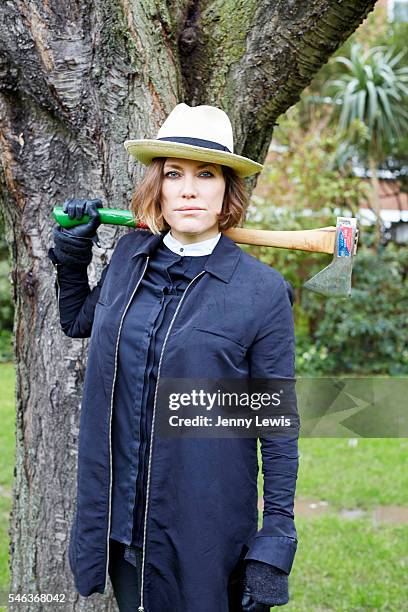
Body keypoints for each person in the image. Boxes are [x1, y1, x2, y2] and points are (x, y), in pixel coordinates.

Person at [48, 103, 299, 612]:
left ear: (227, 190)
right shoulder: (128, 260)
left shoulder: (261, 291)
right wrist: (73, 255)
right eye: (174, 174)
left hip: (202, 531)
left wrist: (274, 543)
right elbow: (79, 321)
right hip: (120, 524)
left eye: (205, 175)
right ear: (157, 188)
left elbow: (277, 429)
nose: (189, 189)